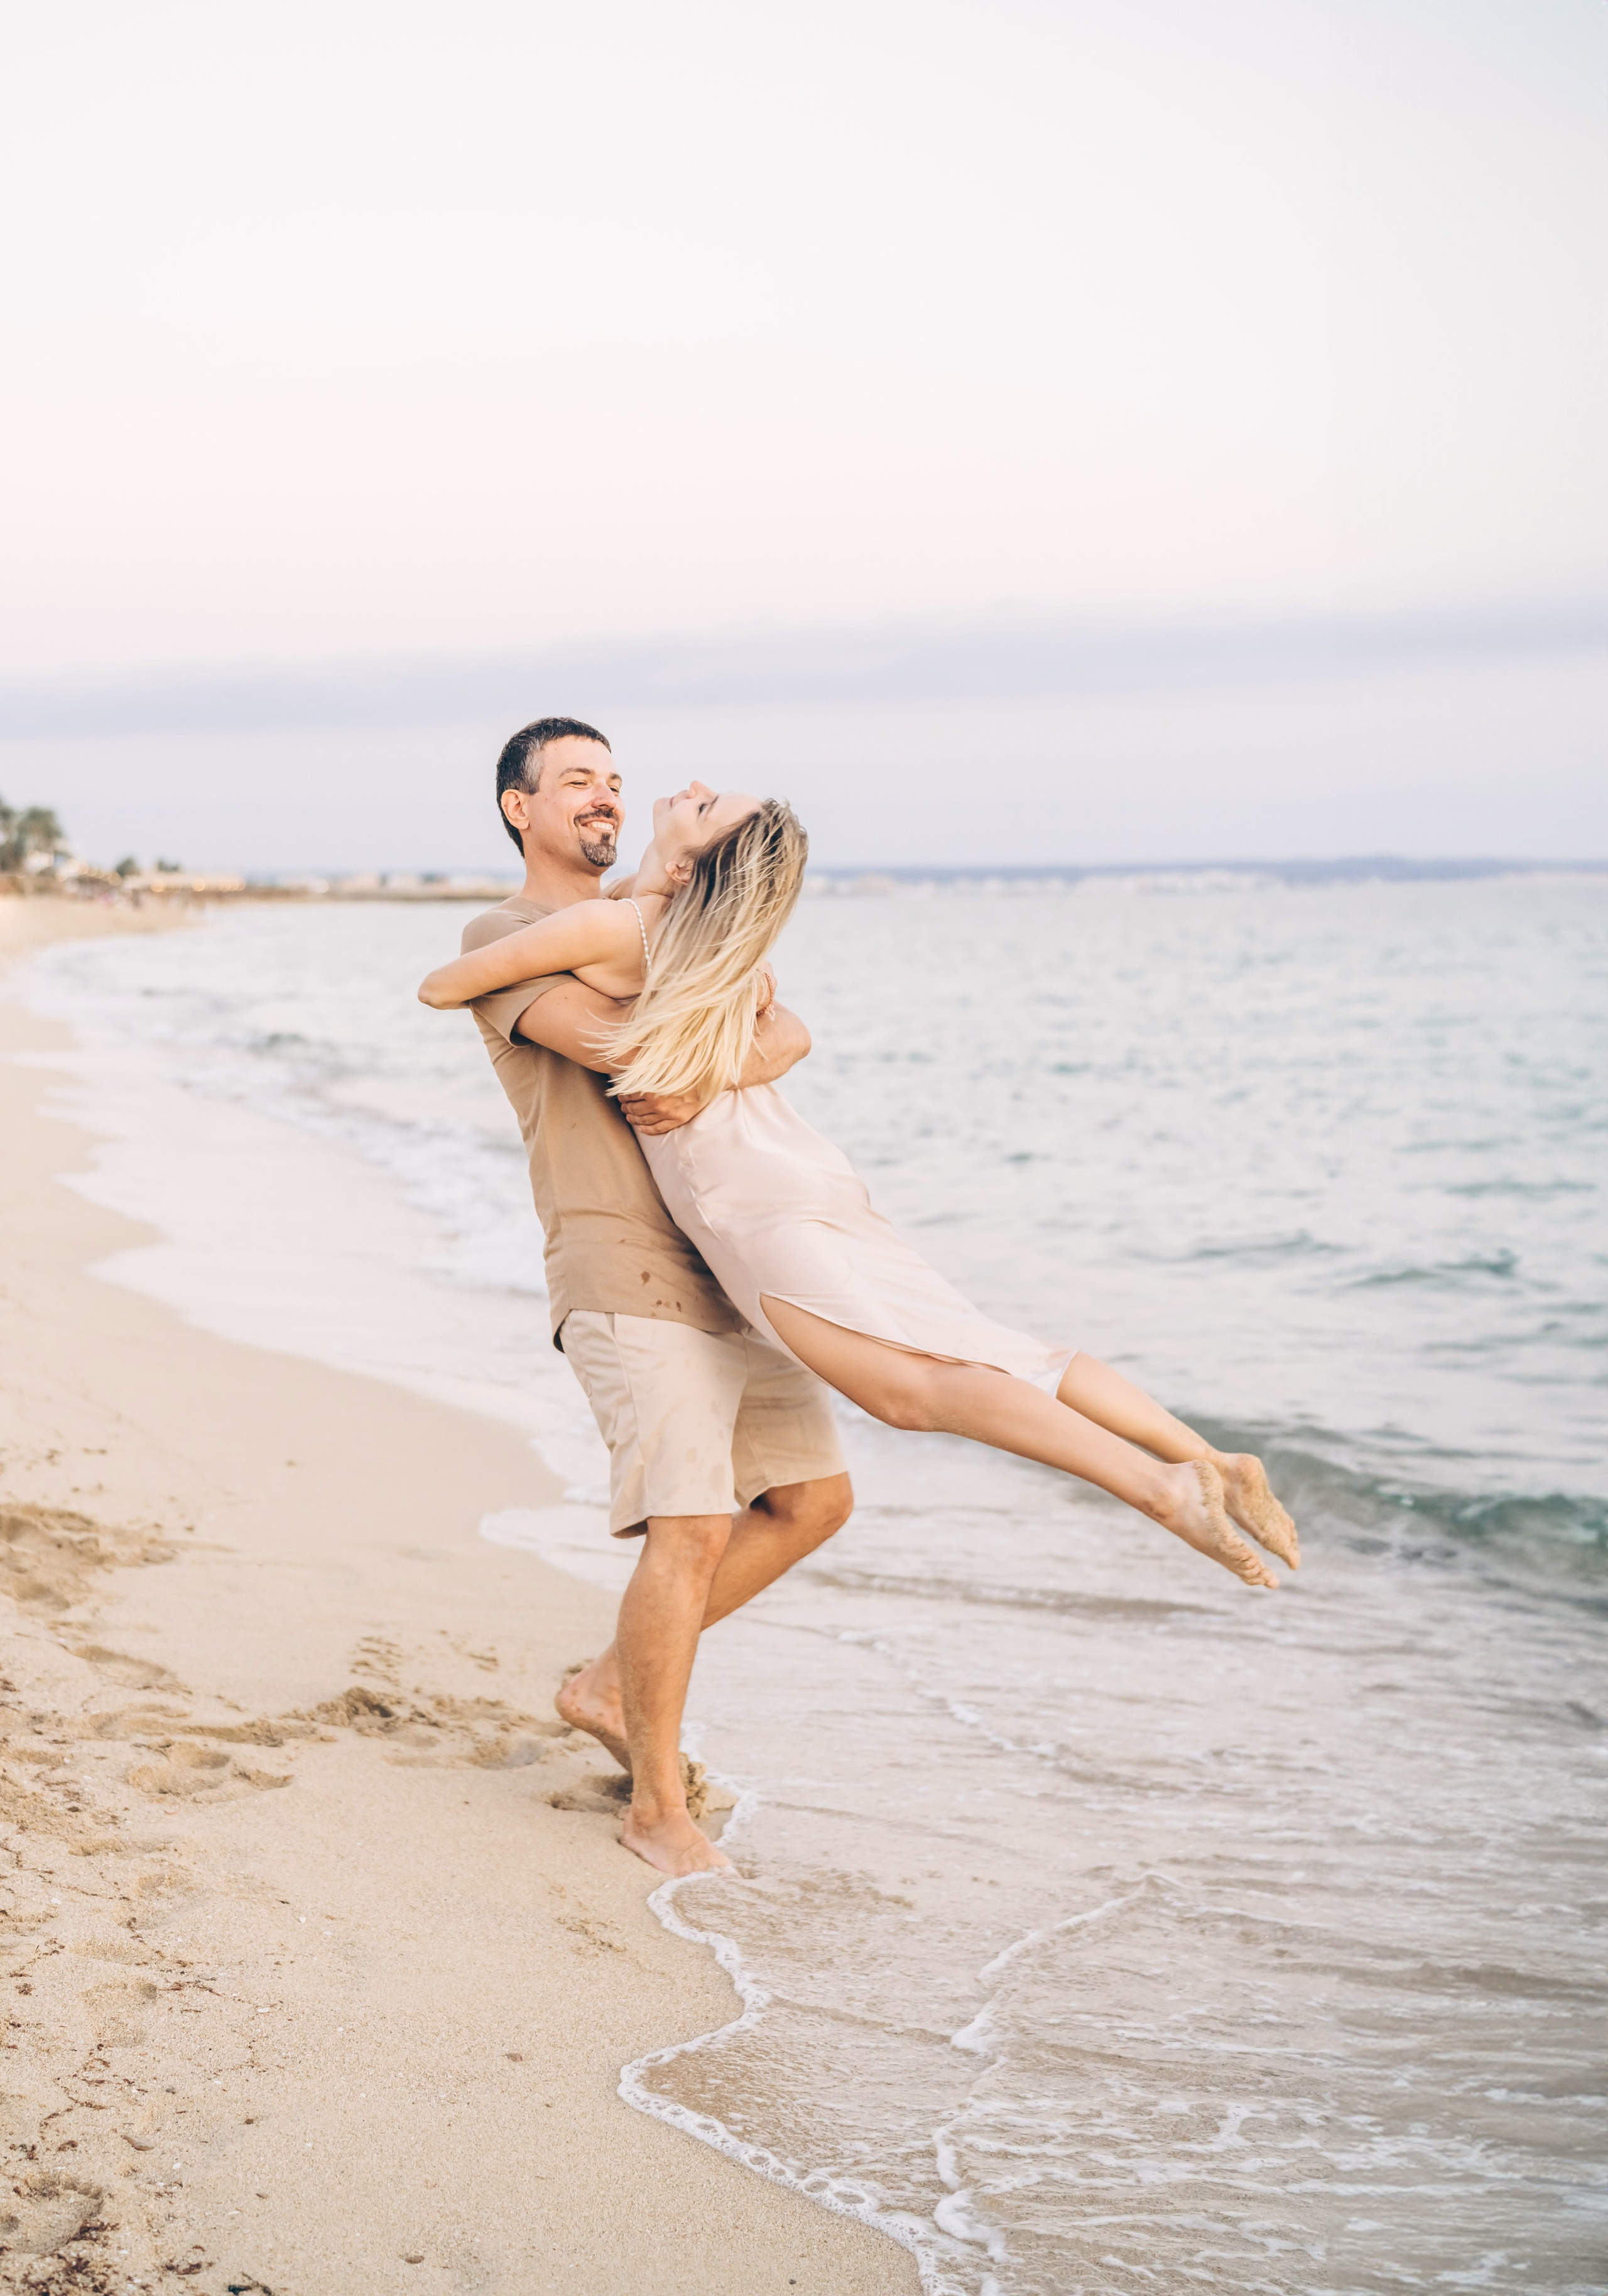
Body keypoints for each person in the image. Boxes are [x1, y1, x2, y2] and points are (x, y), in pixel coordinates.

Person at [423, 772, 1302, 1645]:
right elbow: (785, 1031)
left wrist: (593, 963)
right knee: (995, 1346)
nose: (687, 787)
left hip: (740, 1199)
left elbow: (445, 985)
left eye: (703, 807)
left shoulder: (620, 928)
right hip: (804, 1167)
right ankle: (1208, 1458)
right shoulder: (725, 945)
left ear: (695, 866)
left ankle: (1164, 1491)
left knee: (909, 1391)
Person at [454, 719, 854, 1879]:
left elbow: (789, 1026)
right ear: (519, 807)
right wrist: (739, 1039)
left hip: (728, 1261)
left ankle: (606, 1687)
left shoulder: (664, 931)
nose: (605, 796)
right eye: (577, 780)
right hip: (617, 1262)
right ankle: (656, 1811)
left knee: (813, 1502)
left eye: (615, 782)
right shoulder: (506, 939)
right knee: (690, 1526)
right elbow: (632, 1050)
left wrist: (749, 1042)